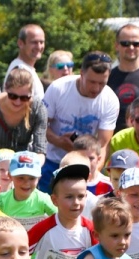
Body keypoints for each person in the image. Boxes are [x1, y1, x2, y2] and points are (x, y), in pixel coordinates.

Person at [40, 51, 119, 192]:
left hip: (87, 165)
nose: (96, 88)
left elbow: (103, 144)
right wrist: (59, 141)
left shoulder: (110, 100)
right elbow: (40, 126)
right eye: (92, 82)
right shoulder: (58, 88)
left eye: (102, 83)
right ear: (81, 74)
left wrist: (93, 172)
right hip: (54, 161)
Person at [0, 69, 47, 157]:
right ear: (5, 88)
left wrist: (35, 163)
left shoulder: (38, 108)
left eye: (24, 98)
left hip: (25, 161)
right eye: (13, 96)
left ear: (31, 94)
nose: (18, 102)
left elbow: (40, 150)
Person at [0, 151, 54, 230]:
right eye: (21, 178)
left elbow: (61, 219)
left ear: (39, 178)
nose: (26, 183)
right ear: (10, 176)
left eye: (32, 178)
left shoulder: (44, 200)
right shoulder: (1, 200)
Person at [4, 24, 46, 100]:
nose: (39, 47)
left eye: (41, 42)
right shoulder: (20, 70)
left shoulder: (27, 69)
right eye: (34, 42)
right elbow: (18, 103)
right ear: (20, 43)